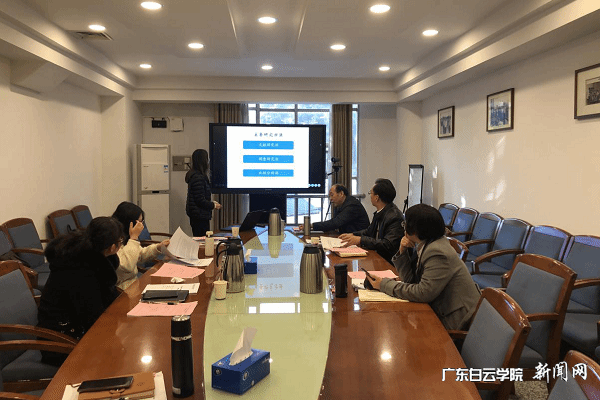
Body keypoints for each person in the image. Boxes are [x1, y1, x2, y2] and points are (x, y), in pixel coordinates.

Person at [366, 204, 481, 331]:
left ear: (415, 230)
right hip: (442, 308)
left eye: (405, 224)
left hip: (457, 320)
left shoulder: (437, 251)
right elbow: (410, 281)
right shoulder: (426, 243)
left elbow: (423, 293)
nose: (404, 228)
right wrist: (402, 251)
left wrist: (383, 285)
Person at [37, 217, 124, 365]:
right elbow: (91, 315)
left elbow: (106, 298)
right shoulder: (80, 268)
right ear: (112, 247)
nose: (121, 244)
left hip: (79, 327)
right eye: (120, 241)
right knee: (119, 358)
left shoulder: (90, 256)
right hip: (61, 340)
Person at [339, 178, 404, 263]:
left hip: (389, 261)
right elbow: (369, 231)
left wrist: (360, 240)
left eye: (371, 193)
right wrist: (352, 235)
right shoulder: (381, 212)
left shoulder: (394, 217)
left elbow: (388, 244)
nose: (370, 196)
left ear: (376, 198)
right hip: (378, 257)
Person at [112, 201, 170, 290]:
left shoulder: (126, 237)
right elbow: (126, 266)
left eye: (142, 222)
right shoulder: (113, 240)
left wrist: (158, 247)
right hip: (122, 290)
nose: (141, 226)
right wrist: (133, 238)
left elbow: (140, 255)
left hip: (134, 284)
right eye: (138, 222)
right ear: (128, 222)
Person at [300, 184, 370, 233]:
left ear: (341, 194)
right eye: (329, 196)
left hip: (358, 240)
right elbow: (333, 223)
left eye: (332, 195)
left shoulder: (352, 205)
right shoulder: (341, 205)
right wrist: (311, 227)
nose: (330, 199)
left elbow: (335, 223)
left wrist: (311, 225)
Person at [185, 149, 221, 236]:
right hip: (199, 215)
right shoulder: (198, 177)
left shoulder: (196, 176)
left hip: (197, 214)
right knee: (202, 239)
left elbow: (199, 196)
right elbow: (200, 200)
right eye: (207, 158)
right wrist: (213, 205)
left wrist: (212, 203)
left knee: (201, 238)